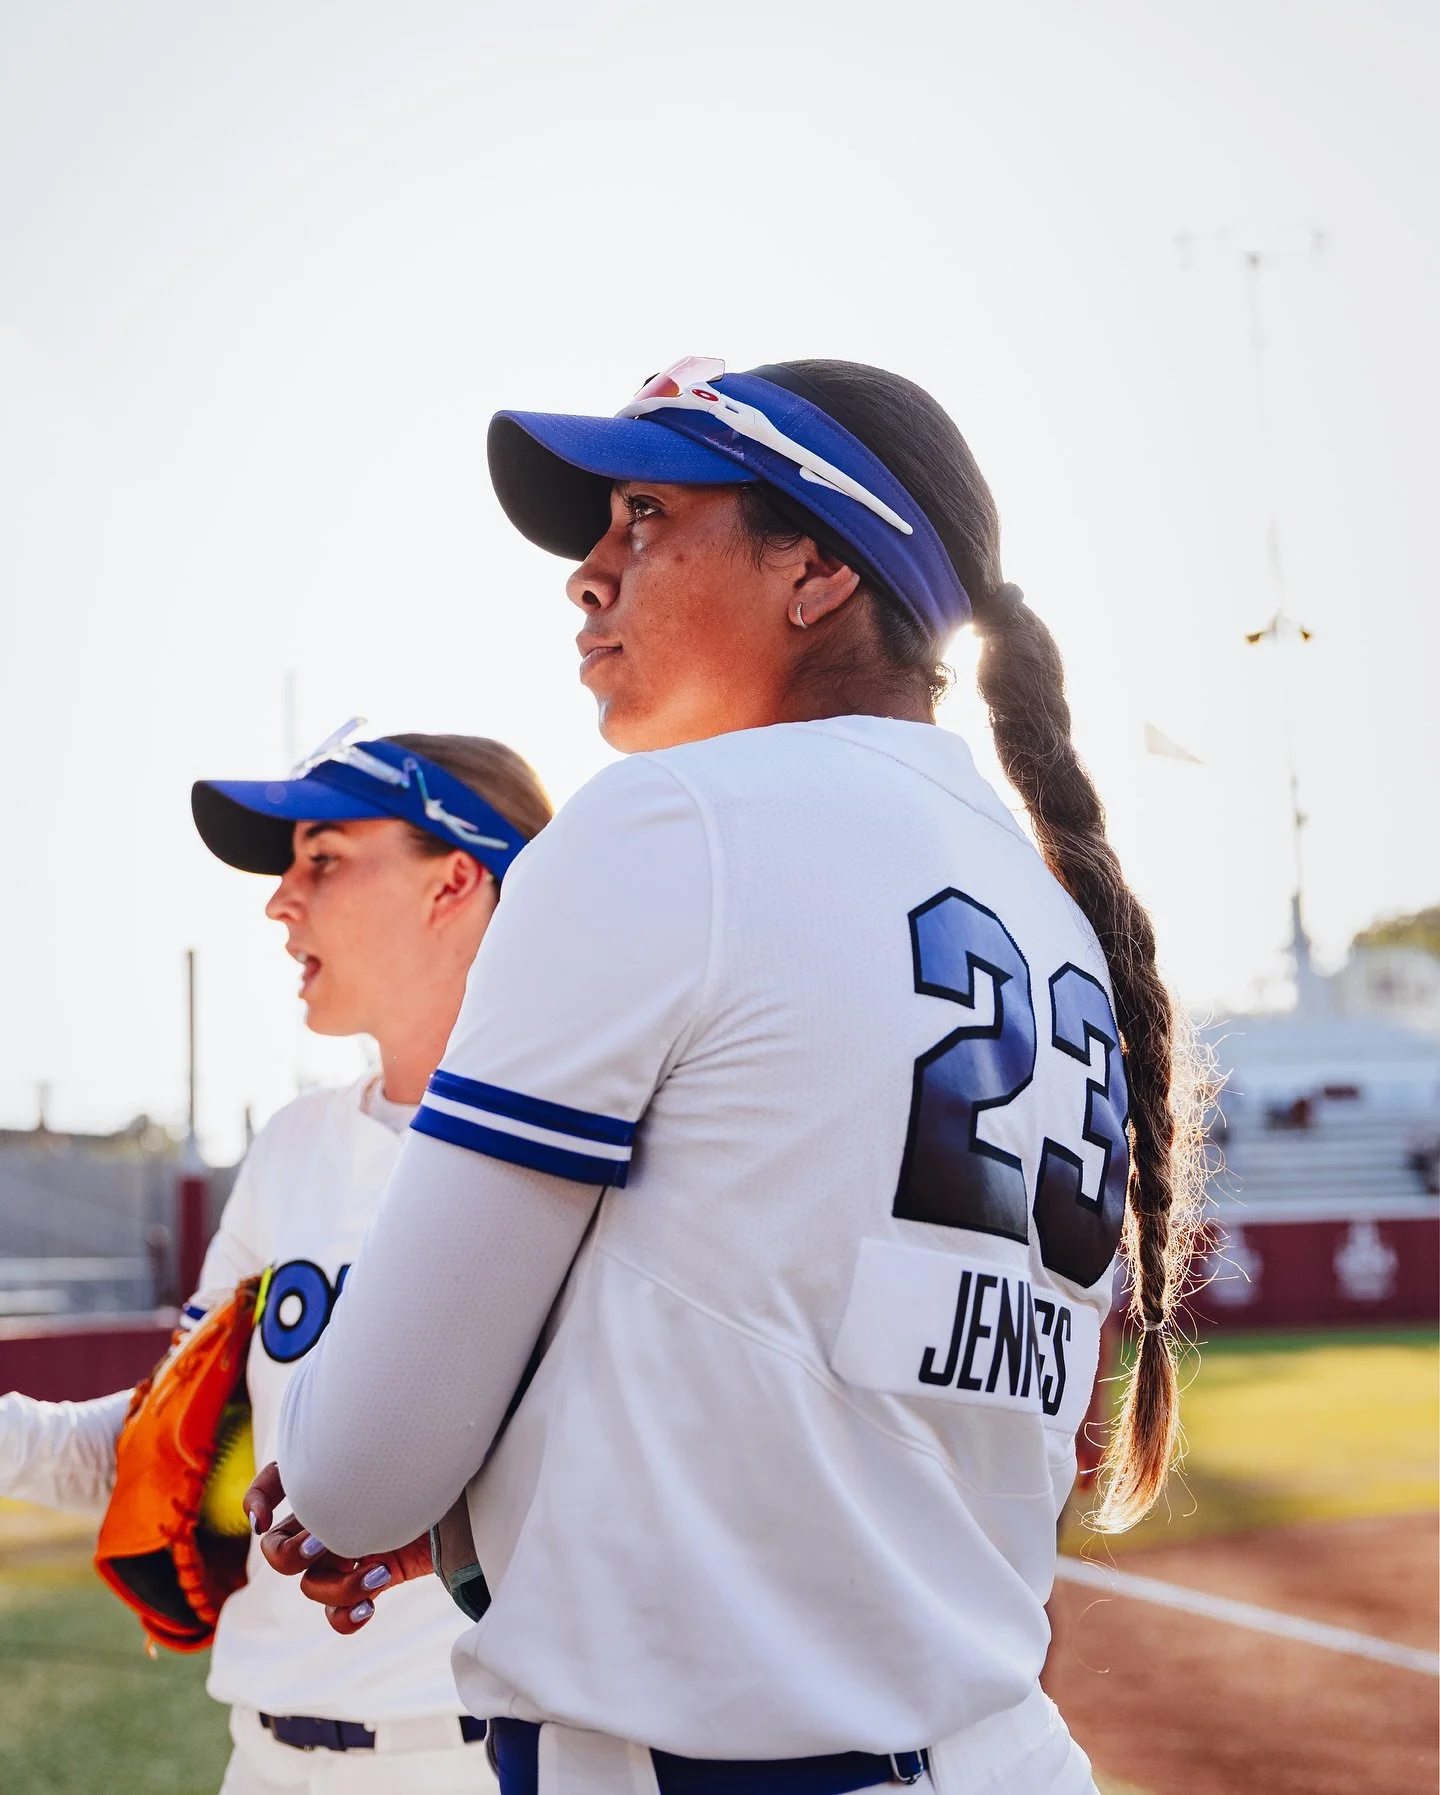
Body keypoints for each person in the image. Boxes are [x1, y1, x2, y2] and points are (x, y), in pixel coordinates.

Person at [265, 359, 1205, 1795]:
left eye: (645, 513)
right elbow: (816, 1362)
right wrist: (502, 1495)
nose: (590, 572)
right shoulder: (1049, 903)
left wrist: (387, 1473)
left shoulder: (673, 822)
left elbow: (351, 1475)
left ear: (819, 568)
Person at [0, 725, 551, 1794]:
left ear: (456, 881)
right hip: (261, 1759)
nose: (279, 899)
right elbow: (171, 1453)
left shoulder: (591, 1151)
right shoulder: (297, 1145)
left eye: (324, 858)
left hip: (471, 1763)